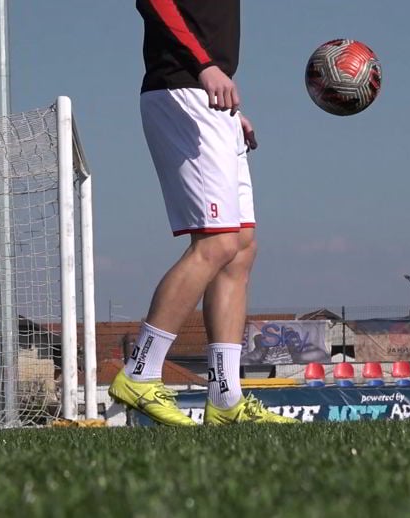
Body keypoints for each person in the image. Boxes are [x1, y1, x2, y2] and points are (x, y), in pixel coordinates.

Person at [108, 0, 297, 426]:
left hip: (210, 98)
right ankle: (139, 373)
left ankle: (225, 398)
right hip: (183, 89)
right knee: (216, 243)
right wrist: (205, 67)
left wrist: (227, 107)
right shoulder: (194, 72)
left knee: (241, 247)